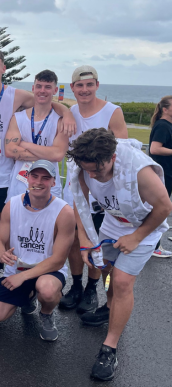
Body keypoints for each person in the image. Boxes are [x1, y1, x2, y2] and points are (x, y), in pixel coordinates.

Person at [0, 50, 76, 290]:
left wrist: (66, 111)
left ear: (4, 69)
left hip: (8, 175)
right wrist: (35, 149)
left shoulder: (18, 95)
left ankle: (0, 268)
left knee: (5, 224)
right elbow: (11, 149)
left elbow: (45, 101)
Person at [67, 128, 171, 380]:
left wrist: (136, 237)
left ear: (113, 157)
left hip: (143, 225)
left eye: (97, 171)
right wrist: (84, 239)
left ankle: (109, 348)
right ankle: (110, 305)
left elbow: (165, 207)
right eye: (87, 170)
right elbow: (80, 203)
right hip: (113, 221)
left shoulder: (140, 171)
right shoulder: (83, 166)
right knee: (104, 267)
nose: (91, 175)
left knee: (123, 282)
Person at [59, 65, 129, 314]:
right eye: (80, 85)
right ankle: (76, 285)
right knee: (75, 238)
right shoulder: (70, 112)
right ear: (73, 88)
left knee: (97, 239)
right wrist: (65, 111)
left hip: (102, 188)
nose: (85, 89)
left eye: (90, 84)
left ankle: (92, 287)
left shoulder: (112, 112)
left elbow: (123, 151)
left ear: (97, 85)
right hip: (74, 185)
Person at [0, 160, 75, 341]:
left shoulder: (64, 212)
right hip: (17, 269)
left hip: (48, 272)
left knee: (47, 290)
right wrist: (1, 253)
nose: (38, 182)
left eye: (45, 178)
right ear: (27, 178)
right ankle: (29, 295)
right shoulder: (12, 205)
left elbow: (58, 260)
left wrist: (23, 277)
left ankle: (46, 313)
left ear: (53, 182)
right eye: (34, 176)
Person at [4, 70, 68, 202]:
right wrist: (48, 153)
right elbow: (10, 150)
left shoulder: (61, 121)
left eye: (47, 87)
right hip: (20, 185)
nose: (42, 90)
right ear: (33, 88)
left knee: (49, 221)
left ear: (55, 90)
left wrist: (24, 144)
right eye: (39, 86)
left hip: (49, 186)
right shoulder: (18, 118)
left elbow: (58, 155)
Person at [147, 95, 172, 258]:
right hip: (162, 174)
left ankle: (153, 244)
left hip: (167, 173)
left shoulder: (168, 125)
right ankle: (154, 246)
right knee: (159, 210)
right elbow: (154, 149)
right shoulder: (163, 125)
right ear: (165, 109)